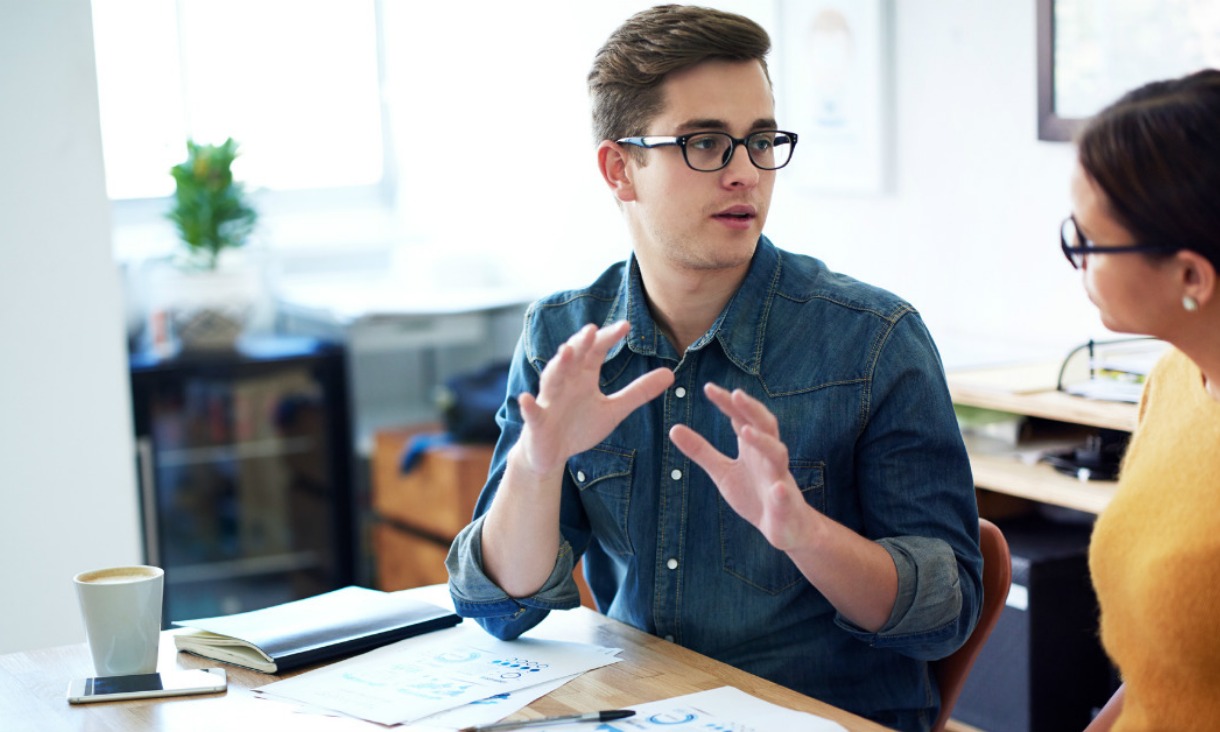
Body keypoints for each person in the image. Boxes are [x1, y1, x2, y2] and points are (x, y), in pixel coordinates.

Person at [446, 5, 982, 730]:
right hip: (636, 711)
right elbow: (498, 609)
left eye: (761, 141)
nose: (743, 174)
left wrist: (804, 534)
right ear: (620, 167)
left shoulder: (876, 341)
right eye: (705, 143)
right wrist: (537, 469)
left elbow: (943, 617)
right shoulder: (566, 335)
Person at [1061, 69, 1220, 732]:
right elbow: (1169, 669)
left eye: (1089, 243)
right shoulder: (1174, 381)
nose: (1076, 260)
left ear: (1190, 275)